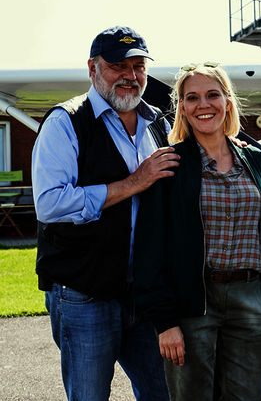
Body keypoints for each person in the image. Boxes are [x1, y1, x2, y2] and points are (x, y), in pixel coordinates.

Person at [32, 26, 177, 400]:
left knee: (163, 393)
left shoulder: (157, 122)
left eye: (138, 65)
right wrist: (132, 183)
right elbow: (50, 204)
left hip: (143, 291)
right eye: (117, 65)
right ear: (92, 69)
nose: (130, 76)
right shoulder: (65, 122)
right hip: (85, 292)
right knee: (90, 395)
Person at [133, 62, 261, 400]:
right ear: (183, 109)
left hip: (251, 298)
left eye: (212, 95)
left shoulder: (255, 159)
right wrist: (165, 323)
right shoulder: (169, 163)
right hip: (192, 302)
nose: (204, 105)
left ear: (228, 101)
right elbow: (149, 249)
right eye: (192, 98)